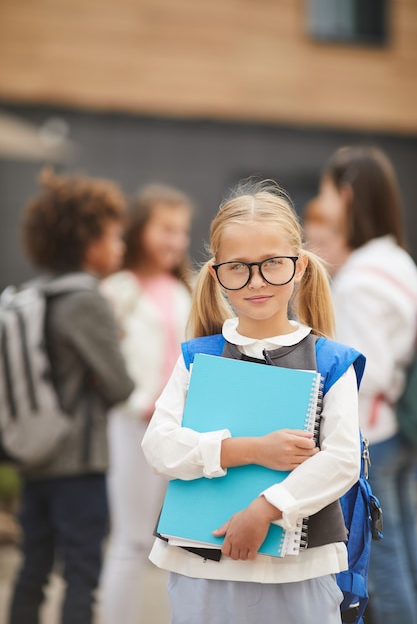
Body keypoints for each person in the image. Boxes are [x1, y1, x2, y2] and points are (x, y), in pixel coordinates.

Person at [141, 181, 364, 624]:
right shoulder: (197, 357)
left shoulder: (331, 360)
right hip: (201, 560)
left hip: (300, 569)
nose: (256, 281)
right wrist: (252, 450)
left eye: (272, 264)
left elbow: (342, 461)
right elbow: (158, 446)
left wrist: (266, 509)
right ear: (217, 275)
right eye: (238, 267)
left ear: (299, 267)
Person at [8, 170, 135, 624]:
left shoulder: (36, 293)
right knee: (83, 573)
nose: (120, 247)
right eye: (114, 236)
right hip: (78, 463)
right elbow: (121, 386)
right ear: (88, 242)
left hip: (34, 452)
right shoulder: (87, 300)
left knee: (34, 567)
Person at [304, 145, 417, 624]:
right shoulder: (395, 259)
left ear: (346, 194)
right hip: (396, 432)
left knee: (379, 567)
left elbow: (368, 371)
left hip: (374, 437)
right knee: (404, 552)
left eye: (327, 190)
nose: (322, 201)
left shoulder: (361, 277)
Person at [100, 183, 193, 624]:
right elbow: (102, 363)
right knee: (132, 540)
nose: (175, 240)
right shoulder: (117, 290)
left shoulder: (186, 290)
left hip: (184, 430)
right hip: (134, 426)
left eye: (181, 231)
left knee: (184, 542)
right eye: (166, 229)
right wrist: (137, 403)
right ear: (141, 231)